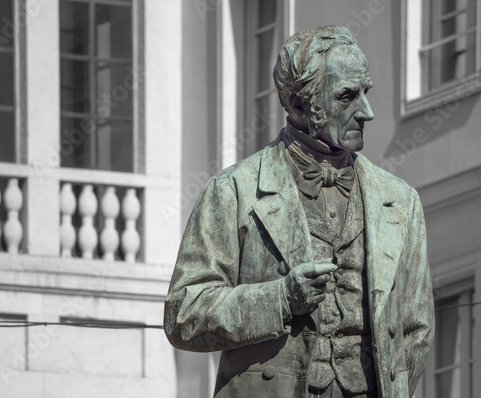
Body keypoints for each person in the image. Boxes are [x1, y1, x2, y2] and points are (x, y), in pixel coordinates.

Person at [164, 26, 434, 398]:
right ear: (302, 103)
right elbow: (184, 315)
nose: (366, 112)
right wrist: (279, 299)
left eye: (365, 92)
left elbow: (415, 330)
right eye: (347, 97)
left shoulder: (400, 201)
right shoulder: (234, 190)